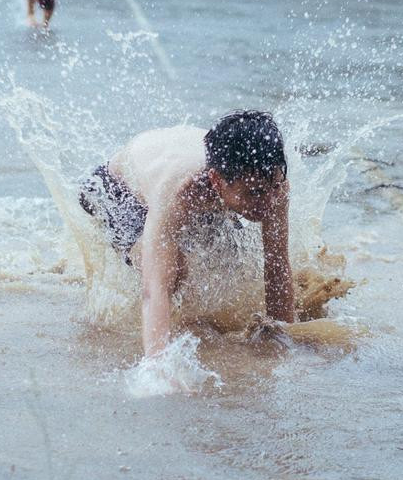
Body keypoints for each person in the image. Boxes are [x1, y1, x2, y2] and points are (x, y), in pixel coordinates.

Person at [78, 111, 295, 357]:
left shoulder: (271, 181)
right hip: (116, 189)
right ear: (216, 179)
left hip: (173, 157)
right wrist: (157, 364)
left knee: (226, 258)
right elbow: (155, 287)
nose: (268, 202)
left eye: (274, 188)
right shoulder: (178, 190)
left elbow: (277, 265)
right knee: (174, 270)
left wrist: (286, 341)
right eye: (254, 193)